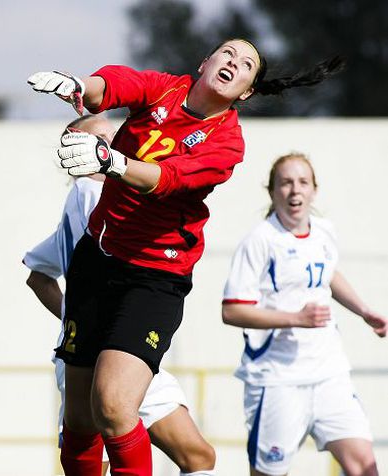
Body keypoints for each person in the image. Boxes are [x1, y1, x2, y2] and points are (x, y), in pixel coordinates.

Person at [27, 39, 343, 476]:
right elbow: (118, 85)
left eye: (247, 64)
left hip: (153, 277)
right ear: (204, 62)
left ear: (247, 92)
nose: (234, 63)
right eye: (228, 53)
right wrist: (80, 85)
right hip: (96, 262)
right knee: (79, 421)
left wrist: (111, 161)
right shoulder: (165, 89)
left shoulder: (228, 142)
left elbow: (169, 178)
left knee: (115, 408)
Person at [23, 114, 216, 476]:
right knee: (108, 449)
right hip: (95, 357)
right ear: (77, 150)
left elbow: (38, 275)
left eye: (115, 135)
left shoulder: (81, 204)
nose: (114, 144)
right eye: (103, 138)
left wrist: (77, 317)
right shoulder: (89, 193)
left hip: (120, 351)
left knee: (198, 456)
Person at [221, 153, 385, 476]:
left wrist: (364, 311)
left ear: (314, 190)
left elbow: (328, 274)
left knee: (364, 468)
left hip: (329, 374)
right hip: (278, 380)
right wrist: (296, 318)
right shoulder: (261, 241)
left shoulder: (324, 232)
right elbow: (231, 309)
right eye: (285, 183)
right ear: (272, 192)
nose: (294, 191)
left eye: (302, 182)